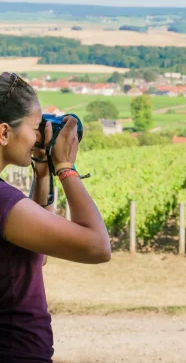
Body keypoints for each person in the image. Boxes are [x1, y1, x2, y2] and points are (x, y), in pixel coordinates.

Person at [0, 72, 111, 363]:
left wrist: (43, 173)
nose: (39, 136)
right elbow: (97, 246)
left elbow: (37, 253)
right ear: (3, 133)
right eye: (36, 127)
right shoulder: (3, 202)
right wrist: (65, 167)